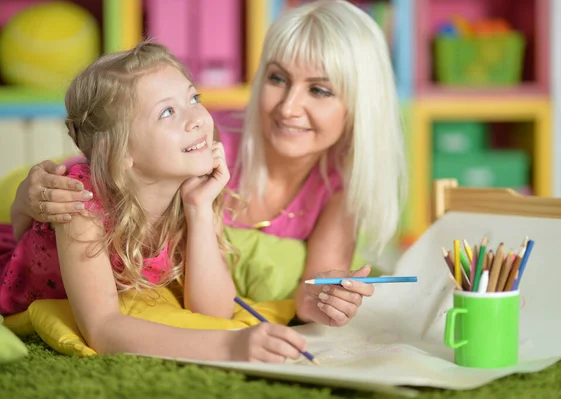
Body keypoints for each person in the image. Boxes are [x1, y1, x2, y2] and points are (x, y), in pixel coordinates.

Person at [7, 0, 407, 328]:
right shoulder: (203, 141)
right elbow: (100, 165)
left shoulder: (337, 189)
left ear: (359, 105)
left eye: (319, 90)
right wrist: (31, 195)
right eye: (277, 79)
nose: (288, 108)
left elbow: (316, 284)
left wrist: (326, 303)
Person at [0, 42, 310, 364]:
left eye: (193, 98)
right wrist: (231, 347)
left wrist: (200, 209)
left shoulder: (193, 191)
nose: (197, 120)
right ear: (122, 155)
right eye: (167, 112)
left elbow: (215, 311)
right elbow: (103, 329)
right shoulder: (84, 204)